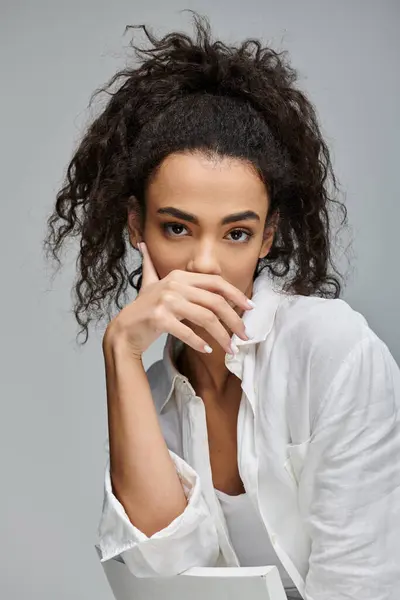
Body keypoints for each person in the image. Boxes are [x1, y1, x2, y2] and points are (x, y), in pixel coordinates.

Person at [43, 11, 400, 600]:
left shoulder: (331, 351)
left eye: (236, 233)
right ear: (138, 227)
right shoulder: (151, 393)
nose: (205, 264)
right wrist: (121, 353)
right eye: (177, 227)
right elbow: (160, 579)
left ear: (267, 237)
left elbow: (365, 585)